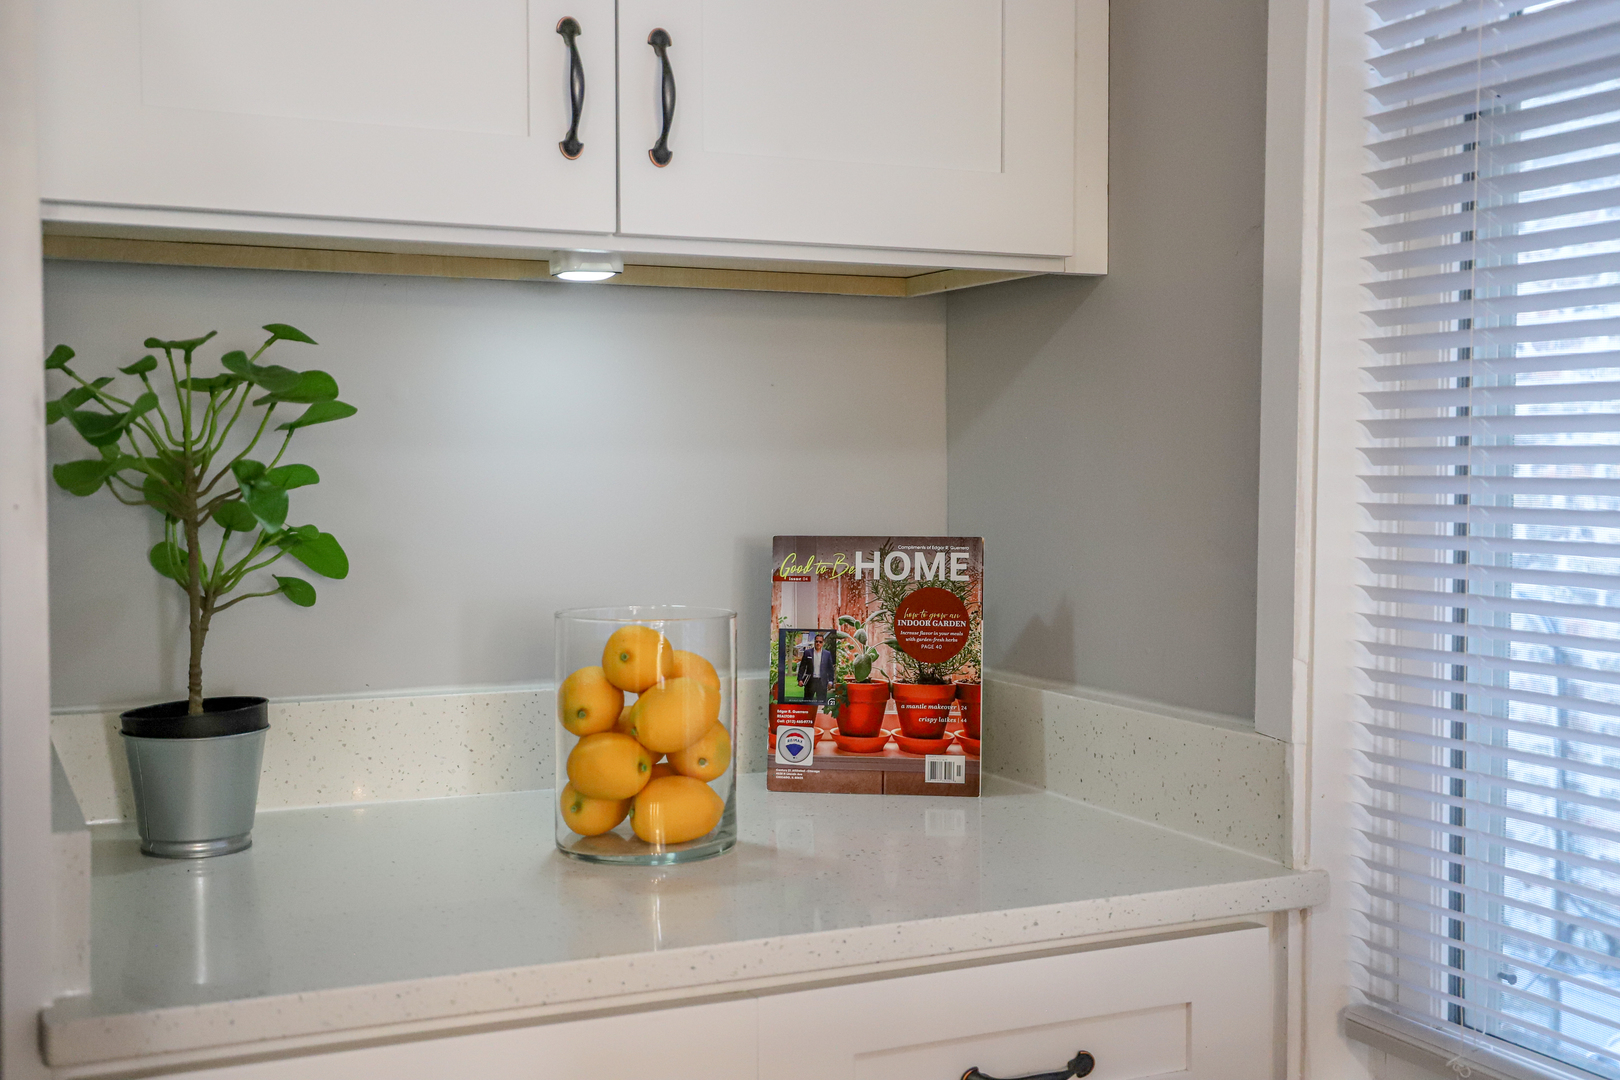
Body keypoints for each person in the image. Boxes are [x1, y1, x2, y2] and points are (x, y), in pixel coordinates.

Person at [801, 633, 835, 702]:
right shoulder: (807, 653)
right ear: (814, 642)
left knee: (822, 702)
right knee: (807, 702)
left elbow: (830, 668)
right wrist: (800, 679)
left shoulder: (827, 654)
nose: (818, 643)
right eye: (816, 641)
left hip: (822, 682)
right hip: (810, 681)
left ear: (823, 643)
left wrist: (831, 681)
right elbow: (802, 666)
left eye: (820, 642)